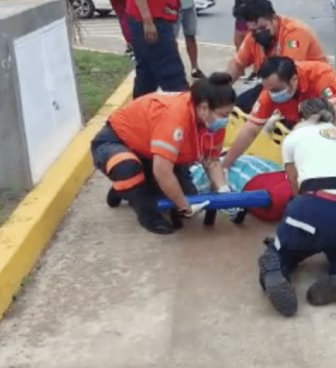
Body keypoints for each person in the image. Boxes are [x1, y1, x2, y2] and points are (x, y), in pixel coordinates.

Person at [257, 98, 336, 317]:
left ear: (301, 117)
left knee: (285, 249)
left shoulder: (294, 137)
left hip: (316, 208)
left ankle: (275, 269)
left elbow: (294, 184)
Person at [90, 73, 236, 234]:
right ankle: (147, 214)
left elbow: (212, 160)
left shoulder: (211, 122)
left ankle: (126, 188)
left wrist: (224, 191)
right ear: (204, 108)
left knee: (188, 195)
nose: (226, 120)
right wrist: (183, 205)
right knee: (127, 168)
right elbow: (162, 171)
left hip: (149, 153)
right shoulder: (175, 117)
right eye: (223, 115)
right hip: (115, 142)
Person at [221, 56, 336, 170]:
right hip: (303, 119)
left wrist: (313, 143)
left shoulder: (321, 75)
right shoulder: (270, 92)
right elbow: (251, 130)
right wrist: (226, 165)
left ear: (294, 80)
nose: (272, 94)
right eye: (268, 90)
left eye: (276, 90)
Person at [224, 0, 327, 113]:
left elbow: (286, 74)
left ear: (273, 19)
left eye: (263, 28)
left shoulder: (295, 33)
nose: (259, 33)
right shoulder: (253, 37)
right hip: (282, 88)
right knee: (236, 107)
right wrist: (222, 88)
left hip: (310, 91)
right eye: (254, 30)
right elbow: (237, 64)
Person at [125, 0, 189, 98]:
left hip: (154, 17)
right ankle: (183, 105)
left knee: (147, 76)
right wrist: (148, 21)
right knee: (172, 75)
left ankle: (141, 106)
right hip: (153, 20)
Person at [173, 0, 205, 79]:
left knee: (191, 36)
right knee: (172, 40)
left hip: (189, 6)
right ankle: (175, 69)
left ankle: (195, 68)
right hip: (173, 7)